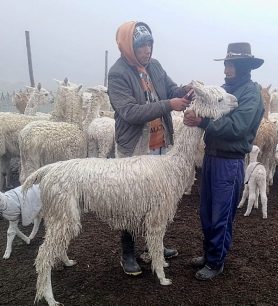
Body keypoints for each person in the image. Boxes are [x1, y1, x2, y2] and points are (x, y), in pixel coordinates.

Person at [107, 21, 193, 276]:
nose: (147, 50)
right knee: (130, 201)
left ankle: (154, 246)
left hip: (159, 144)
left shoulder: (154, 66)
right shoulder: (118, 73)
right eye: (141, 45)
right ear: (128, 46)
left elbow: (171, 89)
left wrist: (186, 90)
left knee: (157, 201)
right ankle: (129, 253)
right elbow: (130, 112)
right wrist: (169, 104)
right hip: (135, 147)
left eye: (150, 44)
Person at [183, 42, 265, 280]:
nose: (226, 69)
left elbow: (239, 127)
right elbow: (206, 104)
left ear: (242, 66)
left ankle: (216, 261)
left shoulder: (250, 94)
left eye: (230, 65)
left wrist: (204, 122)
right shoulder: (225, 89)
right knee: (206, 210)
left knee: (221, 212)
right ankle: (209, 254)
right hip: (211, 157)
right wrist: (193, 101)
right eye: (226, 64)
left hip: (229, 161)